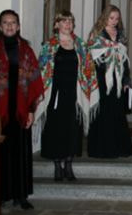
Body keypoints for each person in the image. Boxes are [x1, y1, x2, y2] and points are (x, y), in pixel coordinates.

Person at [0, 10, 44, 209]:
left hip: (20, 109)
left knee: (21, 154)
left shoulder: (26, 50)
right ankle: (1, 195)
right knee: (1, 154)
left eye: (13, 22)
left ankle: (21, 196)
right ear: (0, 26)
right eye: (5, 23)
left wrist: (31, 109)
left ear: (18, 26)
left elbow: (33, 80)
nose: (9, 26)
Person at [36, 11, 98, 181]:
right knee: (56, 129)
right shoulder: (49, 46)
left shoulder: (80, 45)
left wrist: (88, 87)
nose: (67, 24)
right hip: (55, 94)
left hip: (74, 94)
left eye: (70, 21)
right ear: (57, 24)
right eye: (64, 21)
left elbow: (89, 68)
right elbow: (41, 69)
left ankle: (69, 165)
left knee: (73, 129)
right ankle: (57, 165)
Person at [86, 5, 132, 158]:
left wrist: (126, 81)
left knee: (117, 112)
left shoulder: (121, 35)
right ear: (105, 18)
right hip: (102, 78)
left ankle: (119, 147)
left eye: (117, 18)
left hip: (118, 79)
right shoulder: (97, 34)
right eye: (111, 18)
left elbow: (125, 60)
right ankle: (102, 148)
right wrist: (109, 55)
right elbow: (90, 58)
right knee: (103, 112)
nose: (114, 21)